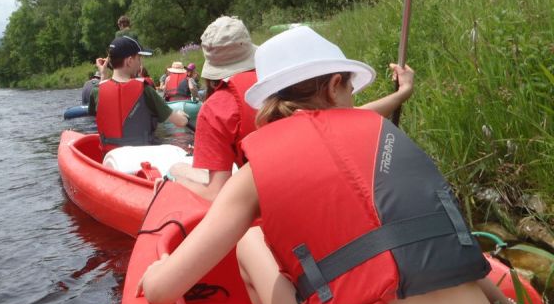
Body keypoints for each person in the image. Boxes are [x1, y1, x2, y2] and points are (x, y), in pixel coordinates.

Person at [138, 26, 522, 304]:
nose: (353, 97)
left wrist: (156, 268)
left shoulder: (256, 172)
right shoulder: (384, 135)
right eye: (352, 88)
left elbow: (160, 291)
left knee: (251, 241)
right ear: (336, 85)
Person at [170, 16, 414, 200]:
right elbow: (355, 117)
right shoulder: (288, 83)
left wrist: (174, 179)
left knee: (178, 168)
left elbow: (216, 193)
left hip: (260, 200)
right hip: (316, 196)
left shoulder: (217, 108)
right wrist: (402, 94)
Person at [88, 35, 188, 153]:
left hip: (110, 159)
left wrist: (103, 74)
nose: (140, 63)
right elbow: (180, 122)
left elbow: (102, 104)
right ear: (129, 61)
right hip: (141, 159)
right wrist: (182, 116)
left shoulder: (96, 91)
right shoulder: (145, 90)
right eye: (139, 58)